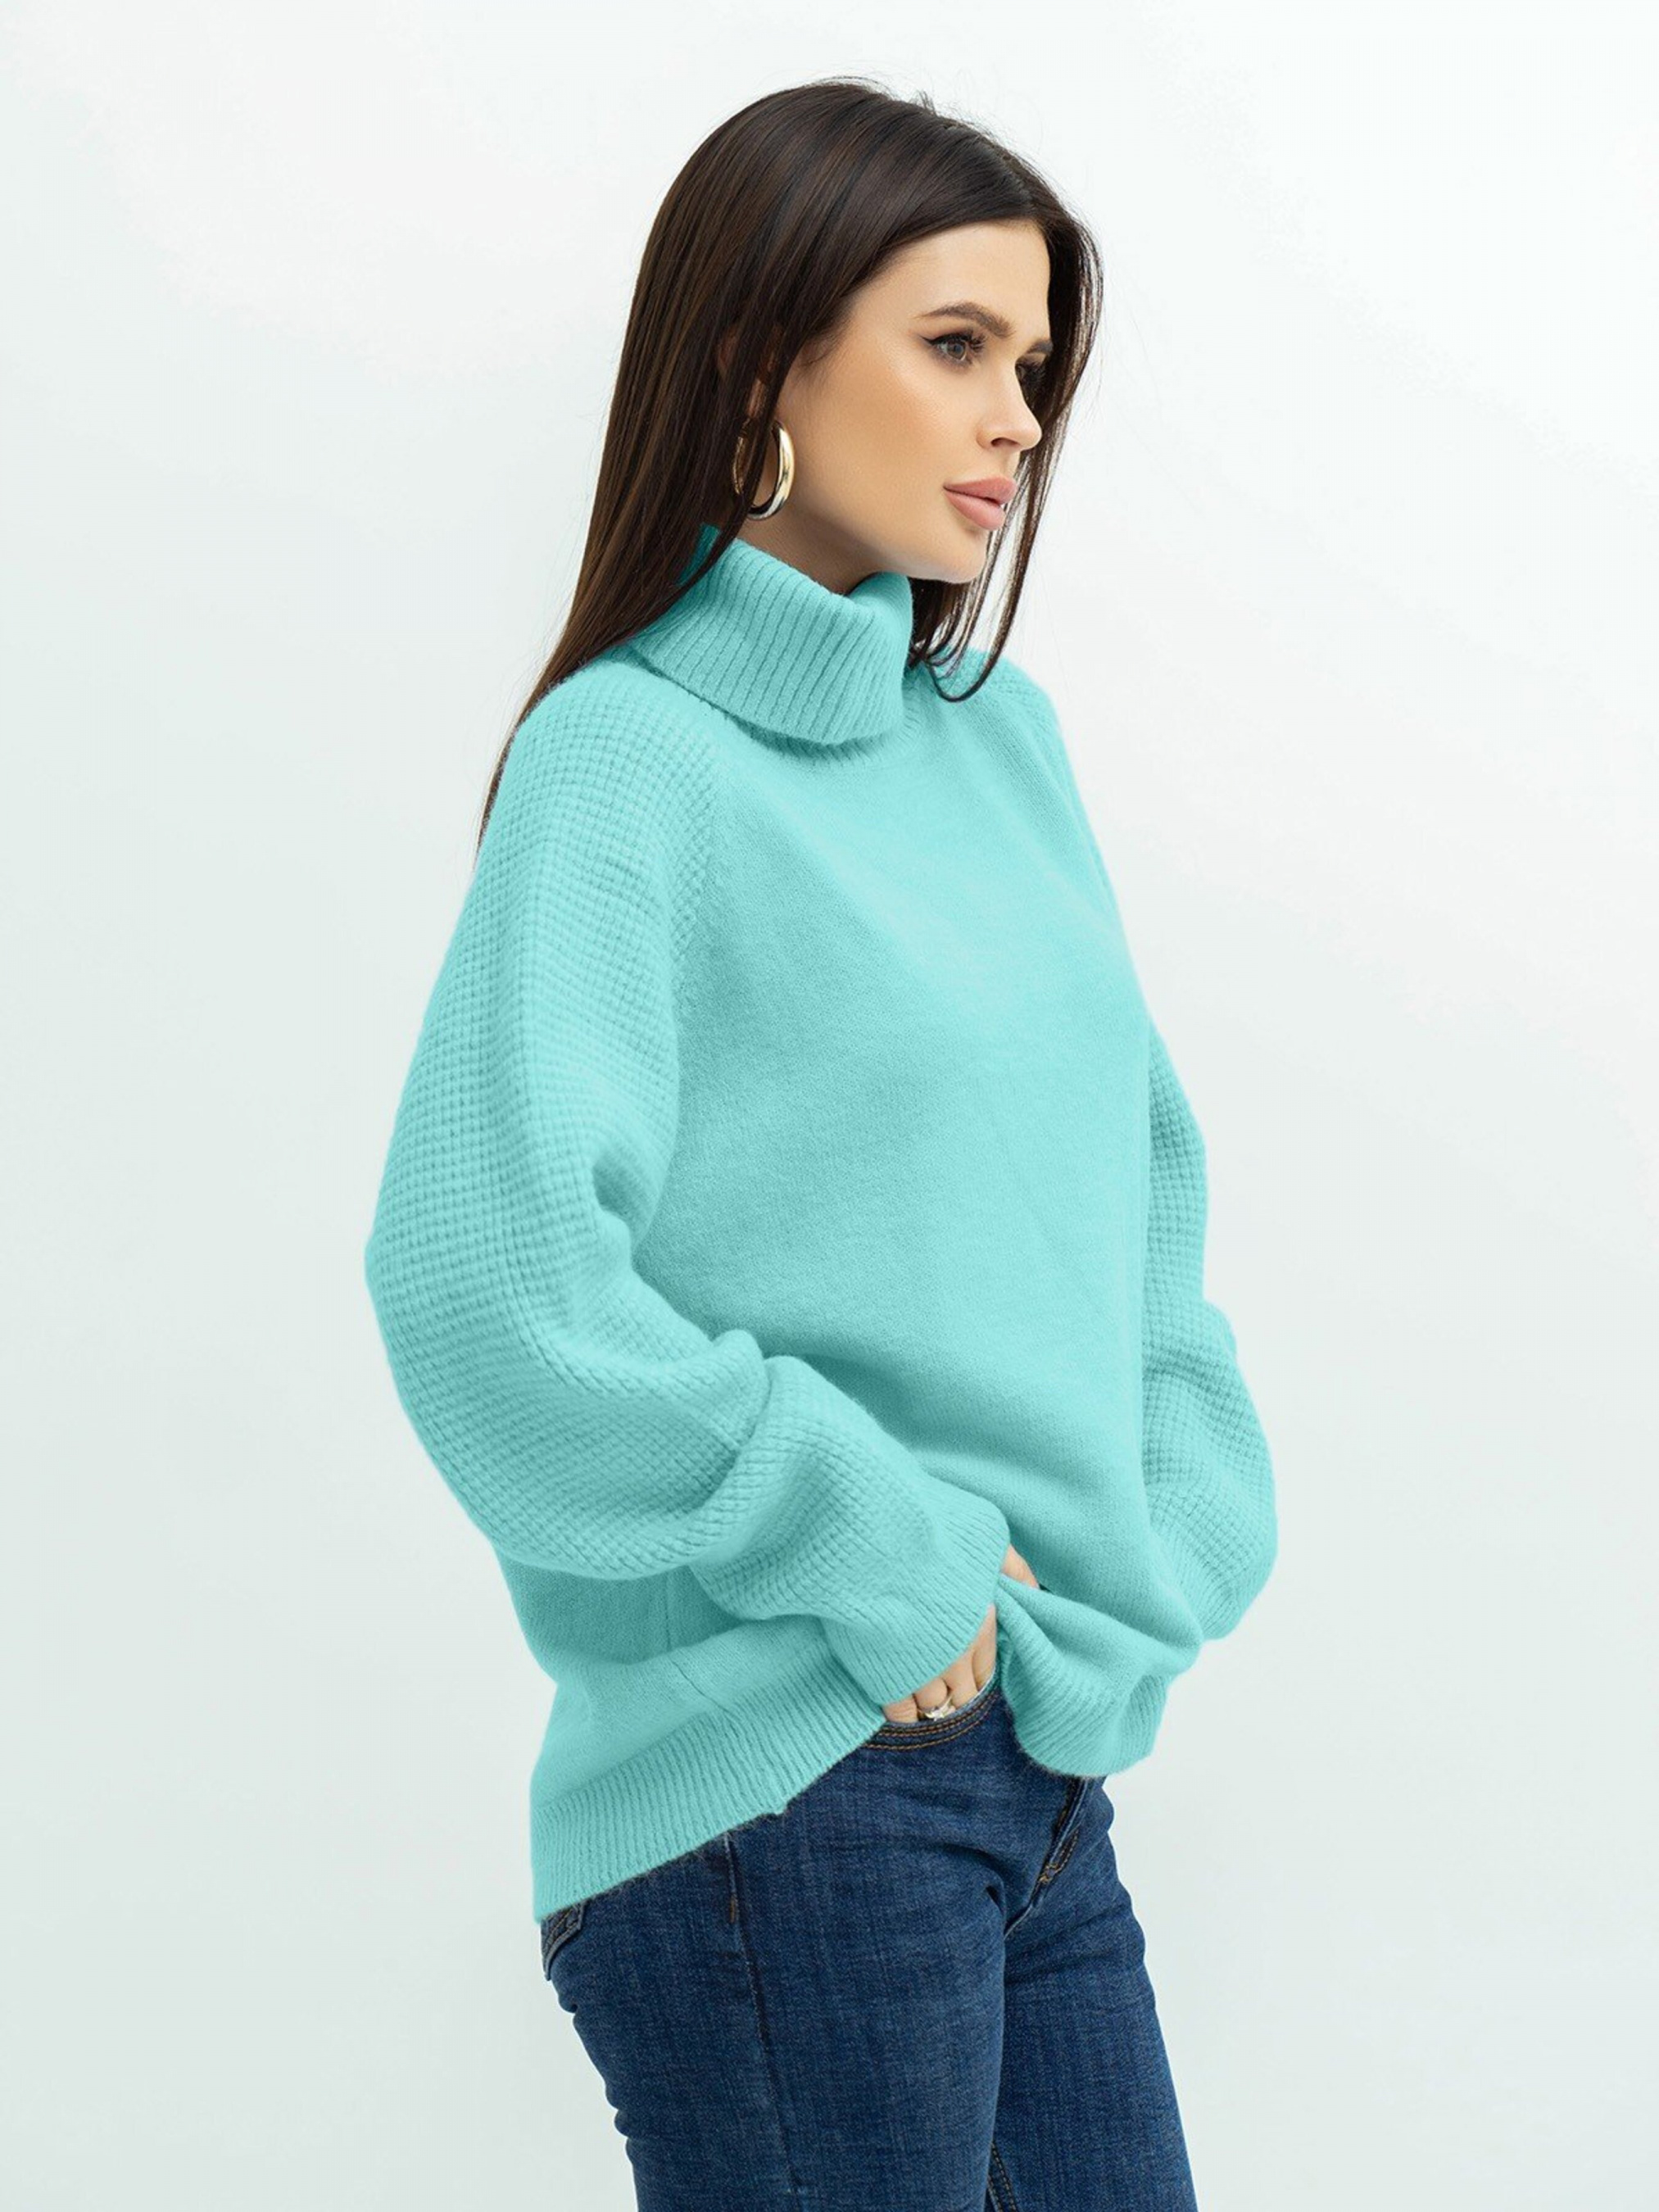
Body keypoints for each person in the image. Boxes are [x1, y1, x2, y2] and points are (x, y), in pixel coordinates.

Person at [363, 75, 1277, 2210]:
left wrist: (1170, 1543)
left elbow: (1130, 1199)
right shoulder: (630, 760)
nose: (1016, 420)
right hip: (784, 1782)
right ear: (760, 355)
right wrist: (859, 1533)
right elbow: (486, 1281)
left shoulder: (1001, 746)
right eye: (954, 345)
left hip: (1035, 1761)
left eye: (1032, 364)